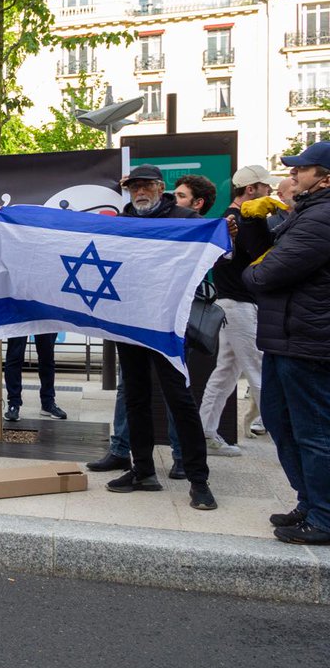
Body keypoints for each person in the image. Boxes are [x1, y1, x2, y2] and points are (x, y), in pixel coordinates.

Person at [106, 165, 216, 510]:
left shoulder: (184, 218)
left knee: (179, 400)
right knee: (135, 397)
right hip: (130, 321)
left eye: (145, 186)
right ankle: (142, 471)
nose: (139, 192)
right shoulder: (122, 220)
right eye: (133, 187)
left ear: (159, 187)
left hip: (169, 324)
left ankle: (199, 480)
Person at [239, 142, 330, 545]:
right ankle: (309, 503)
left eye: (301, 170)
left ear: (325, 179)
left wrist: (257, 270)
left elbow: (262, 275)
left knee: (313, 433)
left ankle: (324, 516)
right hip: (287, 338)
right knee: (282, 423)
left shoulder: (322, 219)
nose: (291, 176)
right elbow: (264, 256)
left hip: (308, 342)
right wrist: (257, 225)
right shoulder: (306, 214)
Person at [197, 164, 279, 453]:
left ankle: (205, 433)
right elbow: (264, 256)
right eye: (266, 187)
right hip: (238, 304)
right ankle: (286, 437)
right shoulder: (240, 219)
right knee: (256, 370)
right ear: (251, 189)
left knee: (227, 372)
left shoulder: (234, 218)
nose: (270, 191)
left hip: (234, 302)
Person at [2, 333, 66, 421]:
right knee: (15, 355)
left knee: (47, 356)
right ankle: (13, 403)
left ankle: (48, 403)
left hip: (44, 320)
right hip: (20, 319)